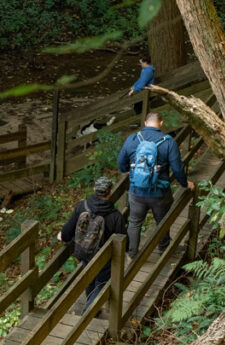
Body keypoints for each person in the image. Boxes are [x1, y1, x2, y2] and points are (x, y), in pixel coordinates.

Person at [117, 111, 194, 260]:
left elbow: (121, 162)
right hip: (160, 192)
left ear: (145, 123)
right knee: (162, 221)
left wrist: (131, 172)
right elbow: (177, 168)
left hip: (137, 191)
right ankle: (163, 249)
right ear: (161, 123)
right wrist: (185, 184)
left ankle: (132, 254)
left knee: (134, 222)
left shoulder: (132, 138)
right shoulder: (168, 142)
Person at [57, 177, 126, 310]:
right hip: (103, 256)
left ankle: (90, 305)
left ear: (95, 190)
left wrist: (63, 237)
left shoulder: (82, 206)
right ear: (110, 192)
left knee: (89, 277)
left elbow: (68, 230)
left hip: (84, 251)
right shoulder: (115, 216)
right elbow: (123, 238)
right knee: (101, 284)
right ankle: (89, 311)